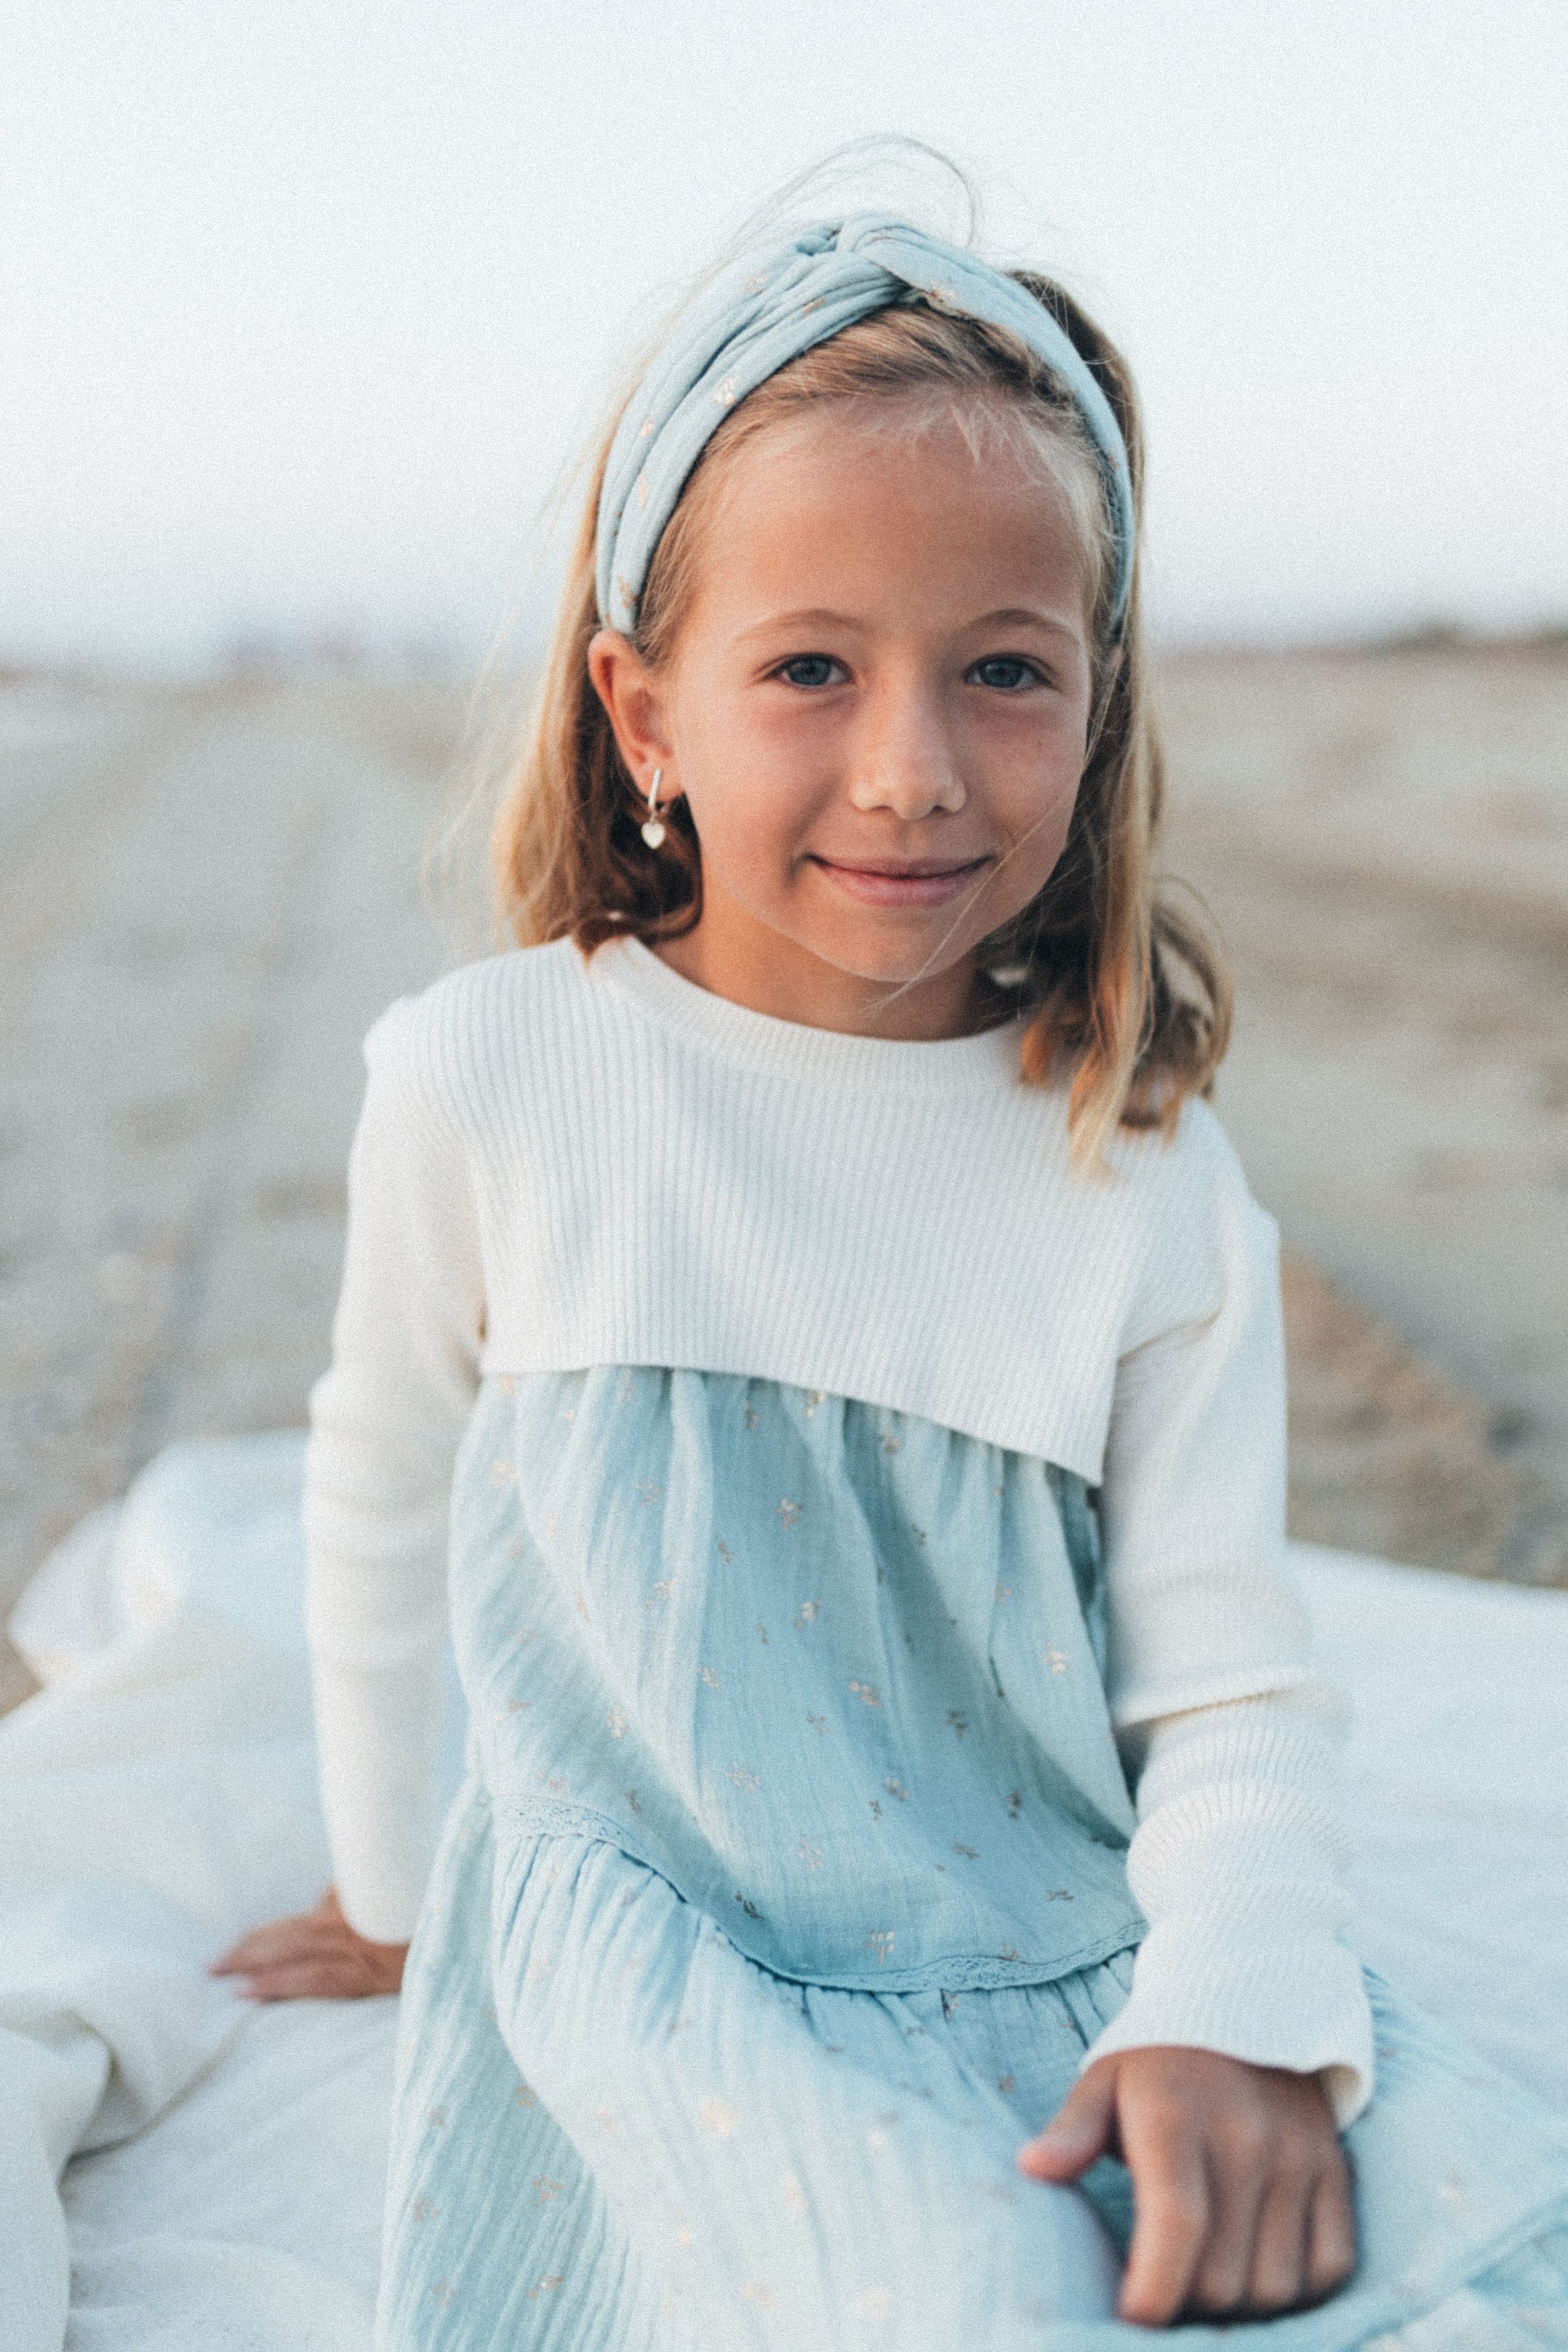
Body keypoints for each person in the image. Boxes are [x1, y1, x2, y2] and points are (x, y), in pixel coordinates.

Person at [214, 209, 1568, 2345]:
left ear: (1099, 701)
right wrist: (401, 1894)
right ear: (644, 715)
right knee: (933, 2293)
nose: (915, 768)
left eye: (1006, 669)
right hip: (673, 1934)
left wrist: (1234, 2004)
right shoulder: (498, 1076)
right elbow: (379, 1484)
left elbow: (1224, 1678)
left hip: (1051, 1925)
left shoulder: (1138, 1172)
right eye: (812, 668)